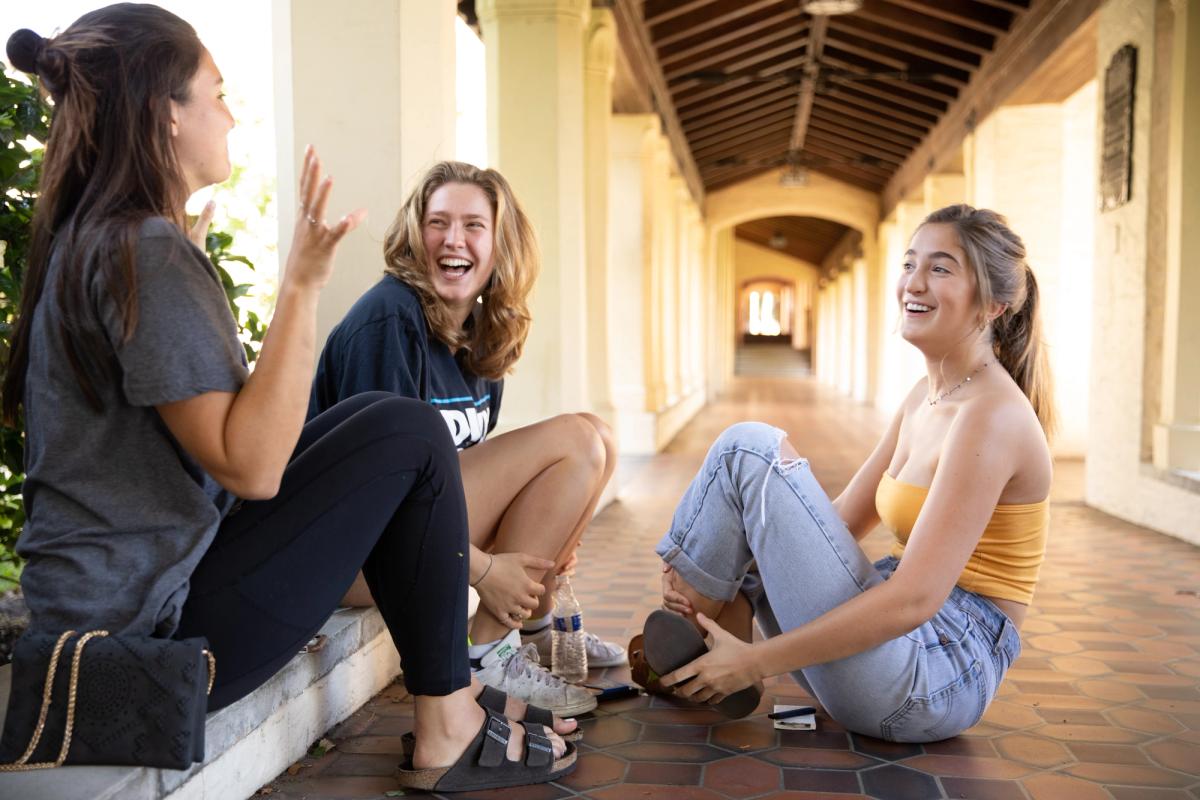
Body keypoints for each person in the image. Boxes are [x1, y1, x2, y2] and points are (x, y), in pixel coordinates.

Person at [1, 5, 574, 790]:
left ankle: (457, 693)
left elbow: (214, 440)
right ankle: (448, 718)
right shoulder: (143, 252)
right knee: (407, 433)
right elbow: (255, 467)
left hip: (131, 613)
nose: (231, 113)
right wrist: (302, 283)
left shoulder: (106, 241)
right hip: (160, 639)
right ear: (166, 115)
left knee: (385, 425)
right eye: (217, 93)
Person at [641, 205, 1053, 743]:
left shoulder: (993, 416)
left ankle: (709, 636)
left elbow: (914, 600)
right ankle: (710, 628)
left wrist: (757, 662)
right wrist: (739, 550)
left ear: (995, 304)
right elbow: (832, 526)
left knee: (750, 449)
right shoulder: (925, 398)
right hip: (891, 658)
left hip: (935, 674)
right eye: (910, 263)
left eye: (941, 268)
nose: (913, 282)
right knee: (753, 519)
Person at [309, 161, 624, 718]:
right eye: (438, 222)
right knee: (578, 439)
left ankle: (537, 628)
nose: (453, 240)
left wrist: (555, 527)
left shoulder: (478, 335)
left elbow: (459, 480)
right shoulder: (389, 322)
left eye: (474, 225)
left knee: (598, 435)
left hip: (416, 532)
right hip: (349, 553)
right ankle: (486, 653)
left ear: (501, 245)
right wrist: (482, 570)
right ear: (415, 235)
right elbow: (377, 502)